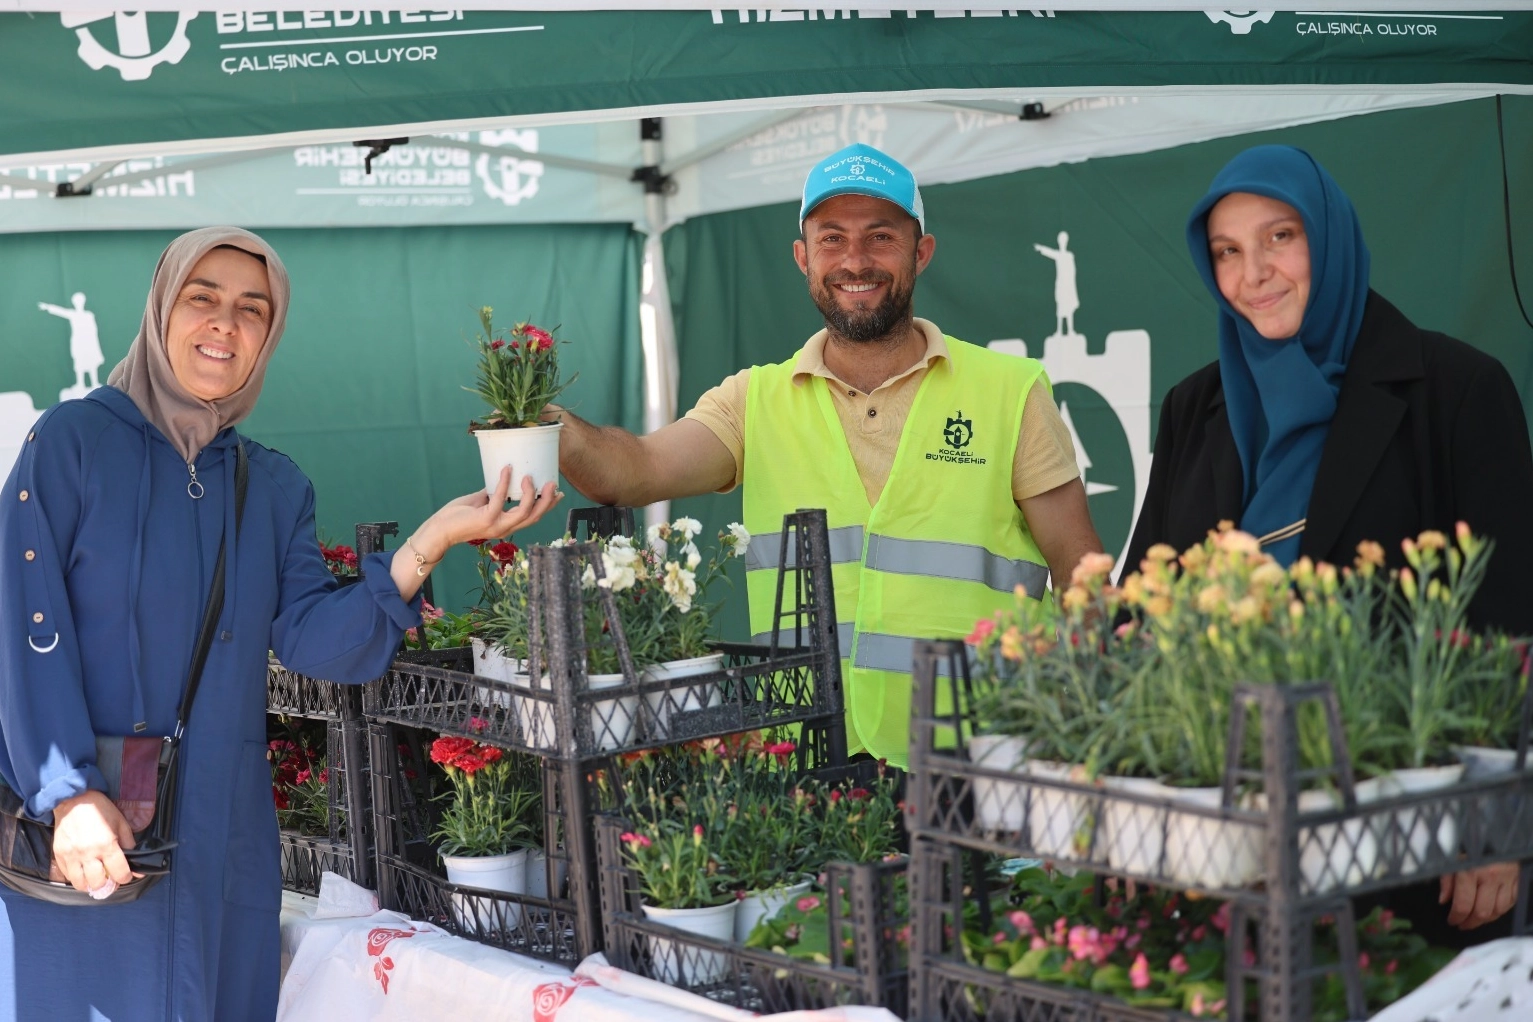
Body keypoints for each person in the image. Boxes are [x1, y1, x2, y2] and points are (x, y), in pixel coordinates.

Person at [0, 227, 561, 1020]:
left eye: (252, 309)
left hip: (222, 837)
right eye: (204, 298)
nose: (225, 324)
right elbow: (23, 629)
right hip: (93, 837)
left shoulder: (269, 485)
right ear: (161, 309)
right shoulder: (72, 443)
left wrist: (430, 542)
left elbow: (314, 639)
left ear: (271, 334)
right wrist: (66, 795)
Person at [553, 142, 1104, 769]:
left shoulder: (1010, 391)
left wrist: (1073, 741)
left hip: (978, 765)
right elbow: (635, 470)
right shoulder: (753, 400)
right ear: (803, 257)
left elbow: (1083, 576)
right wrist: (548, 427)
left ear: (921, 252)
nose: (856, 260)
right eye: (832, 239)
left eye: (881, 237)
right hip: (805, 766)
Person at [1122, 144, 1533, 942]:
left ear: (1329, 236)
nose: (1254, 274)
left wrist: (1499, 816)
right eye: (1226, 252)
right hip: (1224, 846)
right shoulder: (1192, 407)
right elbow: (1143, 599)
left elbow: (1512, 620)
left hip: (1412, 845)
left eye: (1281, 237)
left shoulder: (1456, 390)